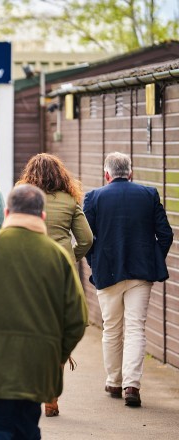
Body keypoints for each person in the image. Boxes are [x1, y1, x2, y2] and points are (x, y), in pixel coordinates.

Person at [0, 184, 87, 439]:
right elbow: (77, 317)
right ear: (42, 216)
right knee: (27, 429)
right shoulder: (56, 256)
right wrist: (57, 355)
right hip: (37, 366)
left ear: (9, 211)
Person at [83, 152, 173, 408]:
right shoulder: (148, 194)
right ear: (130, 173)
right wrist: (152, 258)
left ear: (106, 175)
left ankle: (113, 380)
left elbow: (86, 238)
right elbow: (165, 234)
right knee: (135, 328)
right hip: (141, 272)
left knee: (111, 328)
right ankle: (131, 385)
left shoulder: (94, 198)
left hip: (107, 272)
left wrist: (95, 261)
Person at [16, 152, 93, 416]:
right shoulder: (71, 200)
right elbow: (86, 239)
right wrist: (72, 259)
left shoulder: (24, 197)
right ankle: (51, 395)